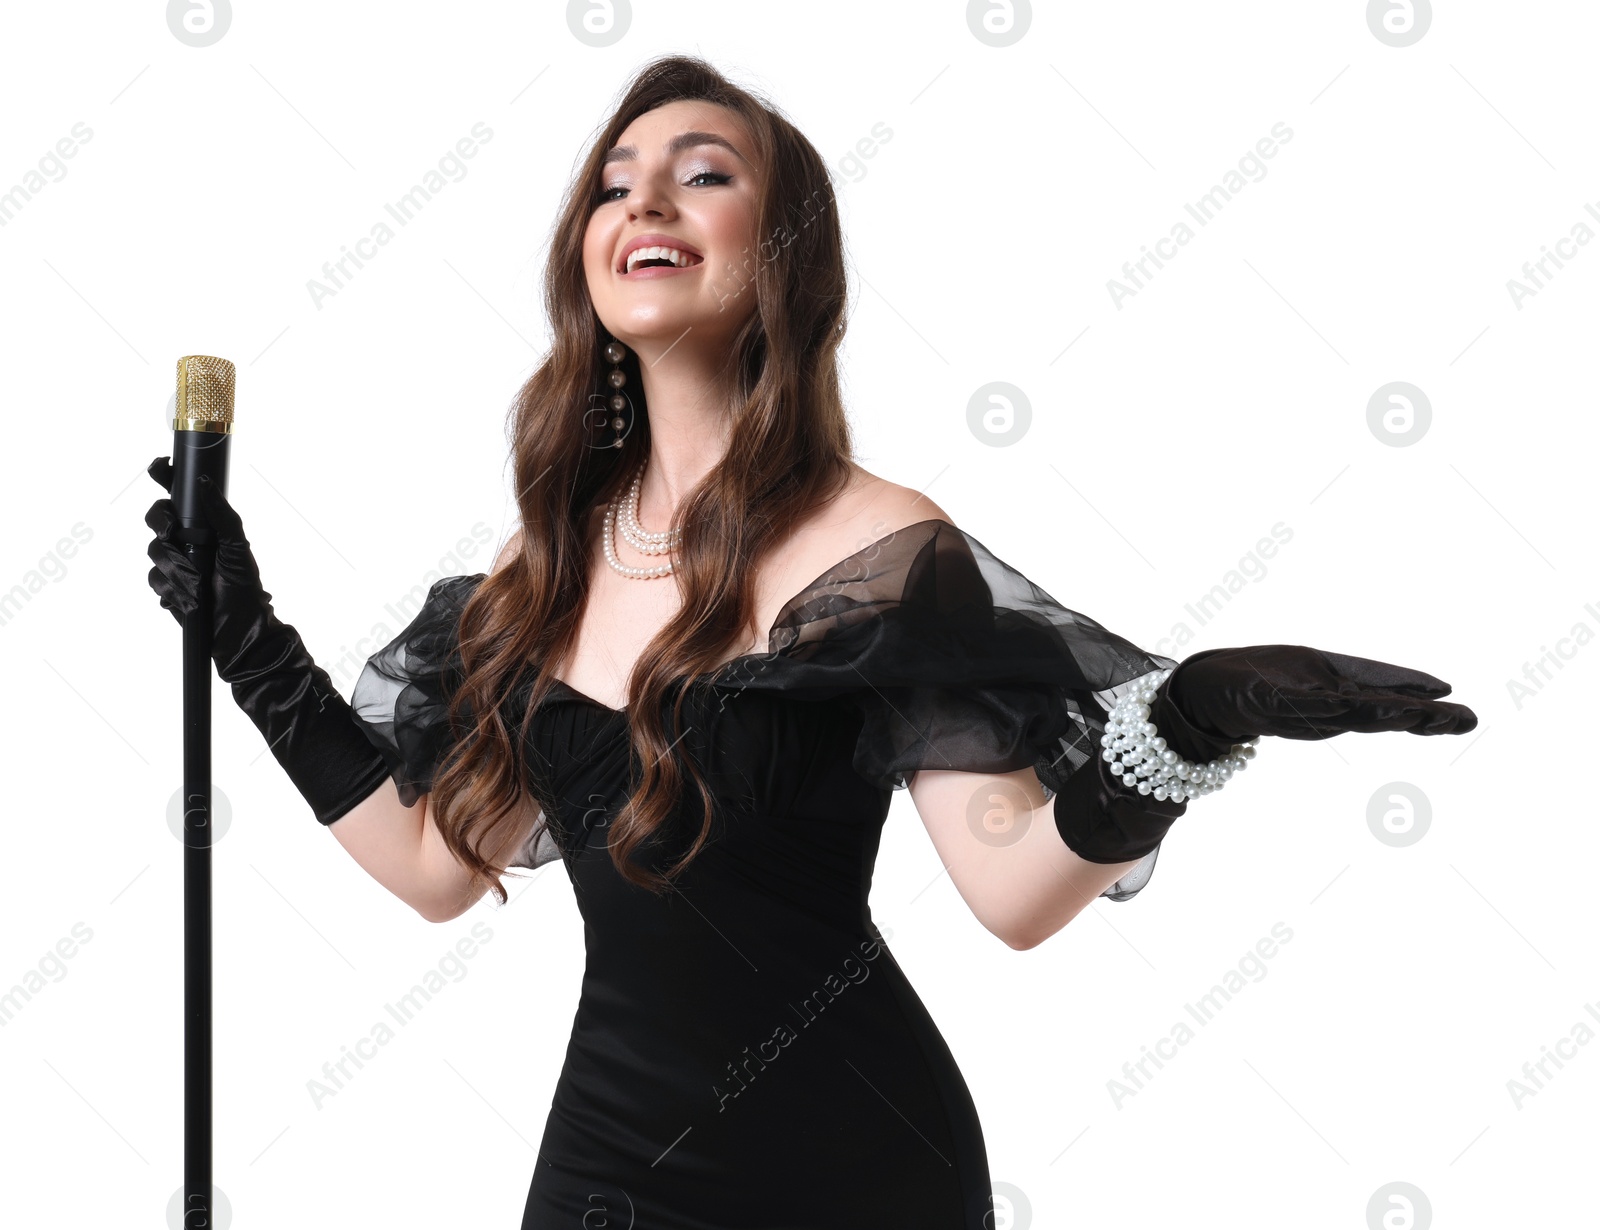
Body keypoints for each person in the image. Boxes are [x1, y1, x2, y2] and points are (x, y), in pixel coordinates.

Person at [144, 54, 1478, 1230]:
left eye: (700, 172)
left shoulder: (878, 542)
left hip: (860, 1165)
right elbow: (435, 866)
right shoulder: (539, 564)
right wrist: (249, 641)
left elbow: (1015, 894)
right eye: (614, 184)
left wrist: (1192, 712)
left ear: (781, 251)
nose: (644, 201)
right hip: (610, 1168)